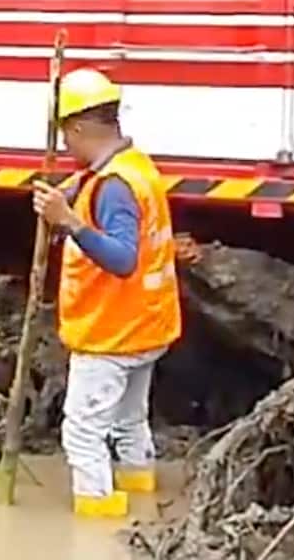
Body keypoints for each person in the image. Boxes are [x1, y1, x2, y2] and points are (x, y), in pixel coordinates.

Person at [32, 68, 182, 519]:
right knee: (129, 419)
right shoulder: (133, 166)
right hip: (146, 325)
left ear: (78, 128)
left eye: (66, 135)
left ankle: (98, 513)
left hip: (110, 333)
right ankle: (139, 485)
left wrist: (68, 222)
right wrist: (72, 194)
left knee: (82, 431)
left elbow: (122, 259)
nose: (65, 146)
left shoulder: (114, 187)